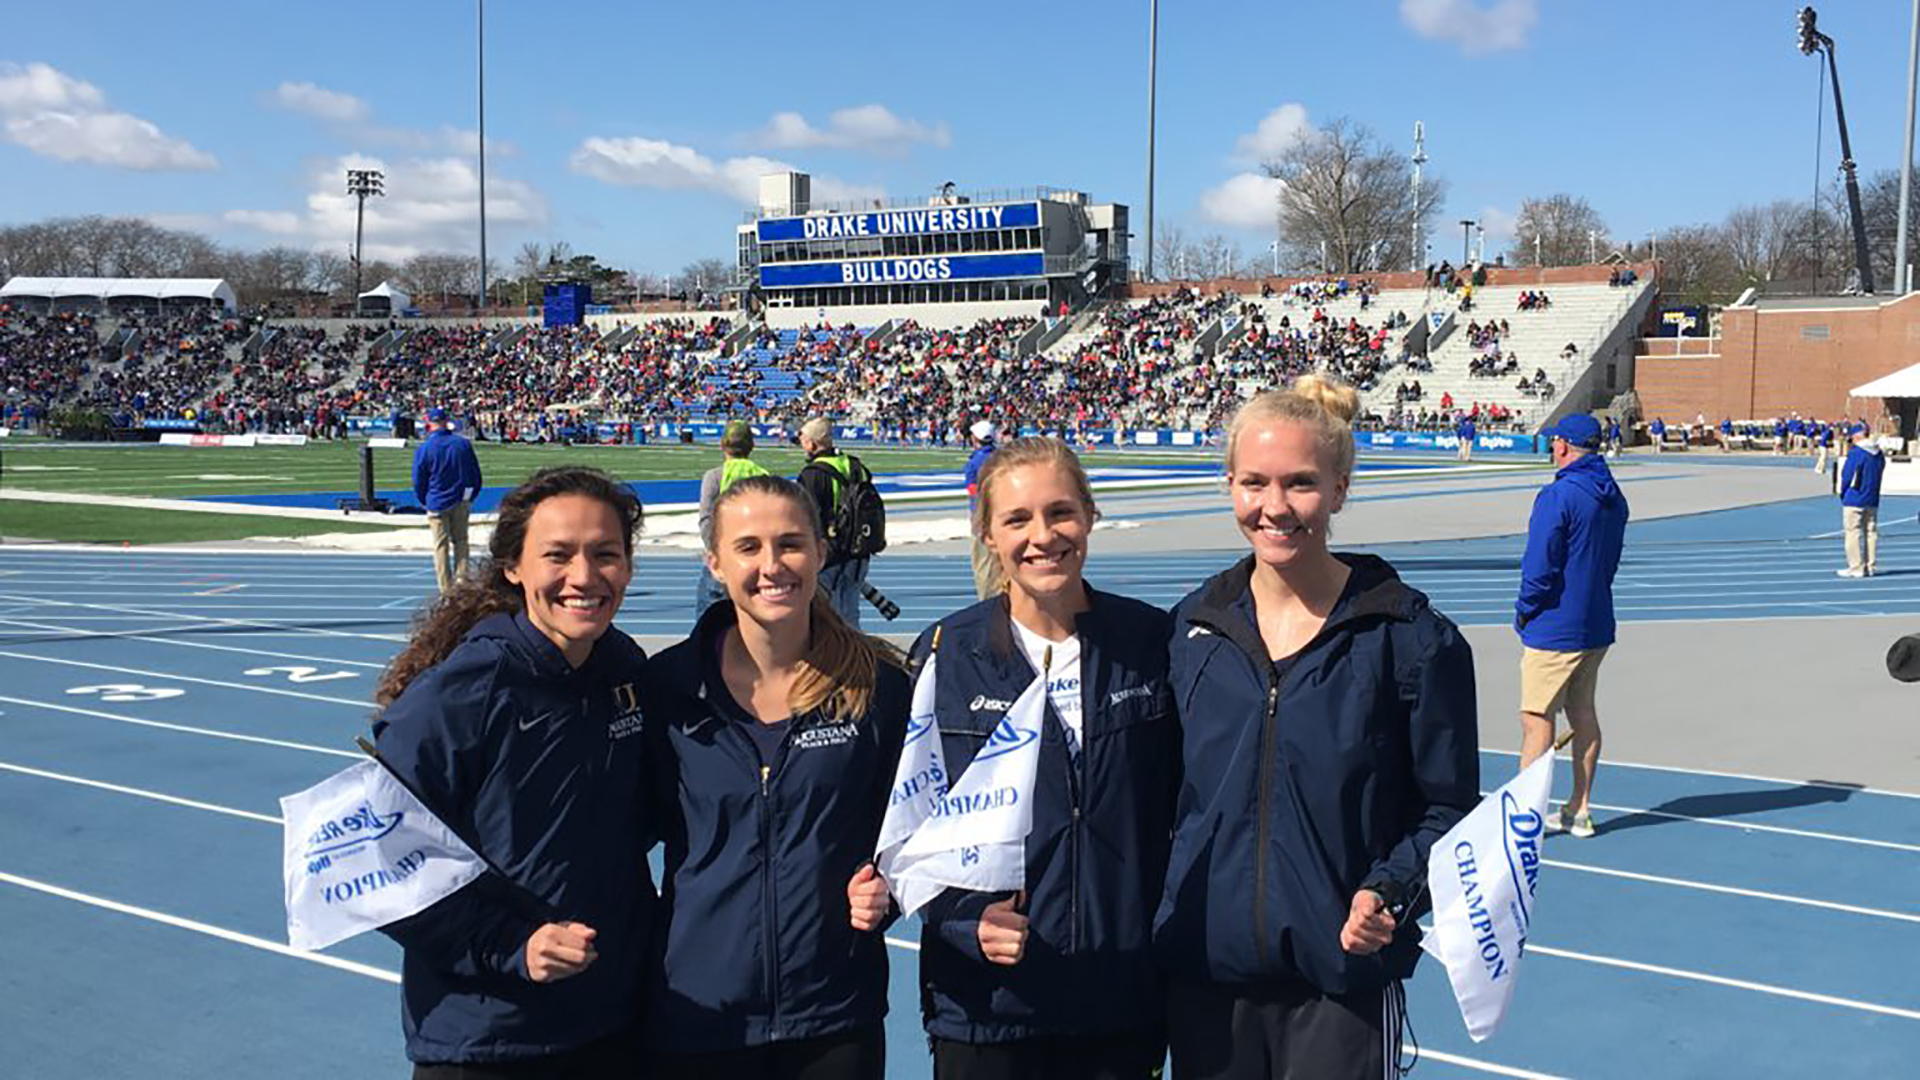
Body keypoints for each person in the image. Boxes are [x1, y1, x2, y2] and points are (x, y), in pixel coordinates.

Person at [1156, 375, 1480, 1079]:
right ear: (1230, 486)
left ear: (1339, 489)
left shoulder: (1413, 639)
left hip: (1343, 985)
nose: (1275, 507)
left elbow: (1448, 809)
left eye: (1300, 483)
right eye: (1254, 483)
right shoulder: (1192, 630)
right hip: (1207, 982)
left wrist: (1390, 890)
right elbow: (1160, 800)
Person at [907, 437, 1177, 1080]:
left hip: (1119, 1004)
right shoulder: (945, 655)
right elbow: (905, 831)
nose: (1043, 536)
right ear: (988, 534)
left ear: (1089, 515)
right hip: (984, 1008)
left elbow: (1193, 809)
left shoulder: (1151, 643)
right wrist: (962, 922)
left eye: (1061, 512)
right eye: (1017, 519)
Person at [371, 465, 654, 1078]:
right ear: (513, 566)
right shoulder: (459, 694)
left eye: (606, 554)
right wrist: (510, 946)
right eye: (559, 555)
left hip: (612, 1024)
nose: (584, 577)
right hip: (489, 1039)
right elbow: (380, 864)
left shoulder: (625, 670)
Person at [642, 474, 909, 1080]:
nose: (772, 565)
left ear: (819, 551)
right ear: (714, 562)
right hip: (697, 1010)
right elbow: (620, 834)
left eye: (790, 544)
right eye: (748, 547)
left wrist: (889, 892)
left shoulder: (878, 689)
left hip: (834, 1014)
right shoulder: (668, 689)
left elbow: (912, 833)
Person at [1516, 414, 1629, 839]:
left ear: (1563, 445)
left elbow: (1540, 566)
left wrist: (1525, 609)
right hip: (1596, 619)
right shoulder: (1613, 495)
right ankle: (1579, 807)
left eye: (1553, 443)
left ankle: (1526, 816)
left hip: (1556, 624)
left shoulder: (1558, 496)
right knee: (1582, 712)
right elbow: (1611, 560)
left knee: (1536, 717)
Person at [797, 417, 875, 630]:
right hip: (859, 551)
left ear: (812, 444)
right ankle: (856, 659)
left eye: (803, 441)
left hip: (828, 555)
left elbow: (808, 518)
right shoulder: (856, 465)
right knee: (850, 615)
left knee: (824, 619)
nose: (802, 446)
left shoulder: (812, 474)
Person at [695, 419, 769, 617]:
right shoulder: (763, 476)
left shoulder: (714, 477)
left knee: (711, 626)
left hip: (721, 562)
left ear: (722, 445)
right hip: (754, 562)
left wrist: (718, 553)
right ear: (751, 446)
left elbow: (706, 520)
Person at [414, 406, 484, 593]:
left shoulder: (425, 448)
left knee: (440, 546)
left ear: (430, 423)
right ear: (446, 421)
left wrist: (424, 500)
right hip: (460, 499)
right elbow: (475, 474)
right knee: (461, 541)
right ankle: (462, 584)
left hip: (436, 501)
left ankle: (445, 589)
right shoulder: (462, 444)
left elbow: (418, 479)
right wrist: (471, 495)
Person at [1838, 424, 1885, 579]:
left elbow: (1847, 475)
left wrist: (1843, 493)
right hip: (1872, 497)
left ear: (1856, 437)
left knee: (1853, 532)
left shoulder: (1856, 453)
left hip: (1855, 497)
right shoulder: (1879, 454)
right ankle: (1870, 566)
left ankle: (1856, 567)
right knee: (1871, 533)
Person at [965, 420, 999, 599]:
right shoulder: (1001, 456)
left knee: (982, 562)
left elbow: (971, 488)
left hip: (982, 514)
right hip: (1003, 512)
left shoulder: (975, 460)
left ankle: (986, 602)